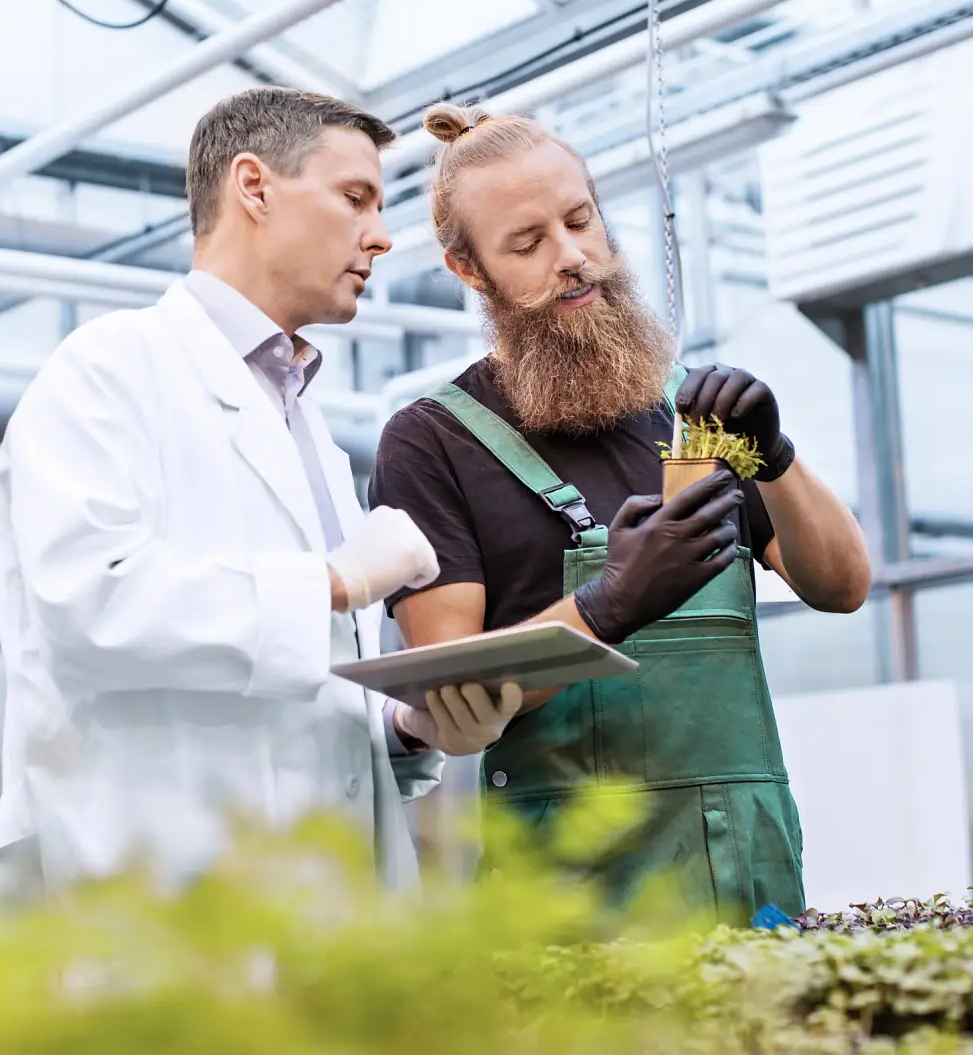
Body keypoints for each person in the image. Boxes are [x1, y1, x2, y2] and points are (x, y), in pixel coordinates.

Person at [0, 88, 523, 901]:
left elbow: (302, 700)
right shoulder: (108, 368)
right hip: (155, 900)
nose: (380, 236)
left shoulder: (299, 419)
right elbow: (87, 606)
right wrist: (335, 583)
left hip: (317, 910)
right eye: (355, 198)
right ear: (253, 185)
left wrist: (408, 732)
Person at [369, 103, 873, 922]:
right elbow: (451, 690)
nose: (572, 258)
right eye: (526, 244)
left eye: (580, 220)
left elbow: (842, 585)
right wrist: (604, 609)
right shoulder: (433, 442)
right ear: (469, 271)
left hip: (742, 862)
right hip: (565, 885)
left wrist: (772, 459)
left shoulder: (694, 418)